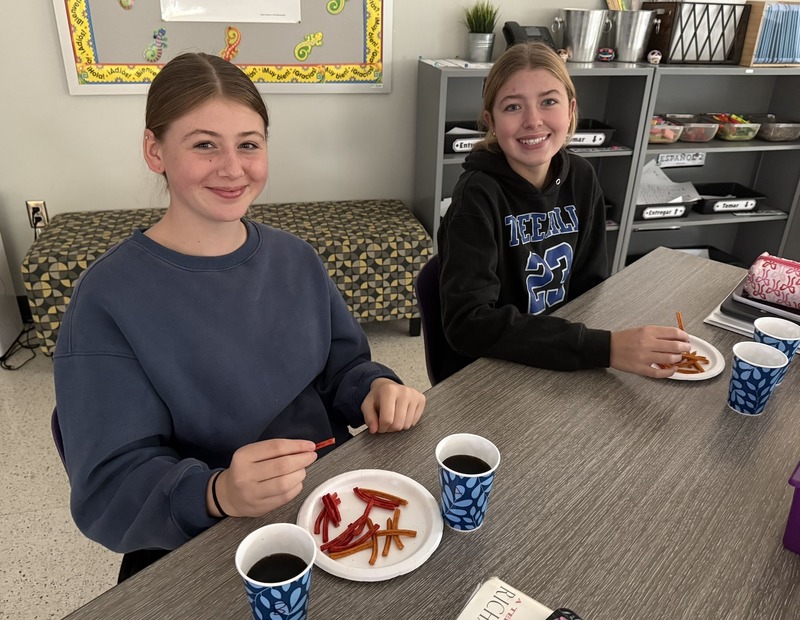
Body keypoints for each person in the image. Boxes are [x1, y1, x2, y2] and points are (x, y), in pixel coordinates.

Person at [53, 52, 426, 581]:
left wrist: (374, 387)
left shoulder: (296, 258)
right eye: (204, 144)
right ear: (154, 150)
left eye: (249, 144)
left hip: (327, 506)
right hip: (207, 541)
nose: (232, 168)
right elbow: (108, 487)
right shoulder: (107, 300)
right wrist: (216, 491)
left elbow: (343, 368)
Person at [437, 42, 690, 381]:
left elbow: (591, 287)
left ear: (571, 110)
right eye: (512, 107)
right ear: (491, 121)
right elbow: (468, 325)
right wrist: (607, 348)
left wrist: (600, 345)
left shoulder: (583, 178)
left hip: (564, 358)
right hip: (491, 373)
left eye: (549, 102)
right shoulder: (476, 196)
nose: (533, 120)